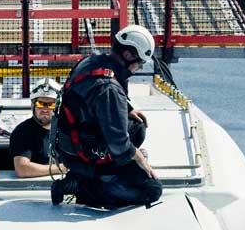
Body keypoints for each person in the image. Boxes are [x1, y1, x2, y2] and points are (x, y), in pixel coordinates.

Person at [50, 25, 163, 210]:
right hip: (80, 154)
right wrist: (139, 158)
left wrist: (126, 108)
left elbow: (88, 96)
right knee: (151, 189)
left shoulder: (91, 62)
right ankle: (82, 186)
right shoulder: (109, 88)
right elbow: (119, 144)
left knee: (137, 126)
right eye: (139, 63)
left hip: (68, 146)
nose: (139, 68)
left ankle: (83, 176)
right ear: (127, 55)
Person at [9, 78, 68, 178]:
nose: (45, 109)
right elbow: (22, 169)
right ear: (32, 105)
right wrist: (63, 168)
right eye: (40, 104)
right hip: (32, 189)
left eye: (51, 105)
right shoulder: (22, 132)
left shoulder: (68, 130)